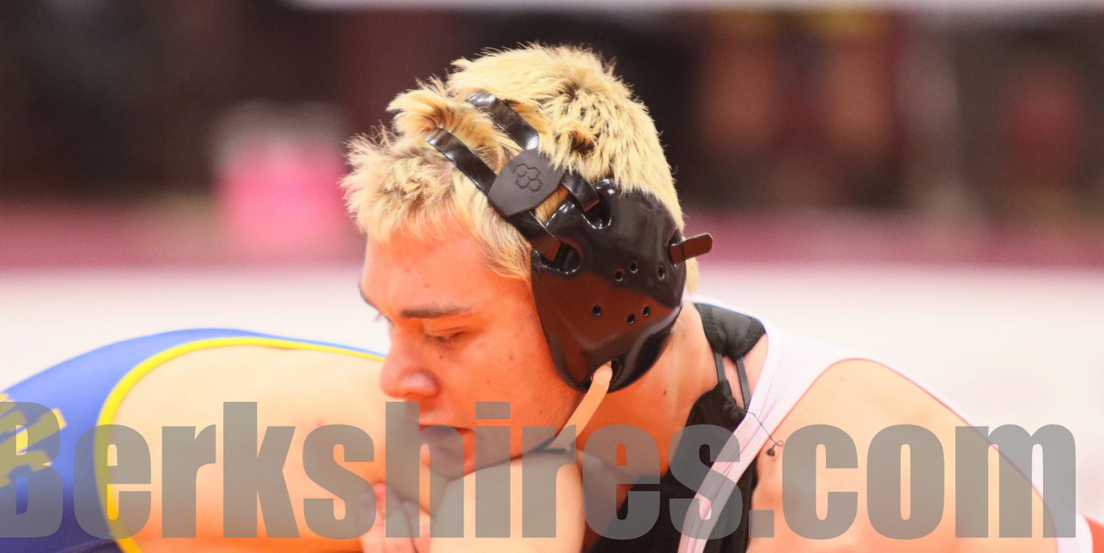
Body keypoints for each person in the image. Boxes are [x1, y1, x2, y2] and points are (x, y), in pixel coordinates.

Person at [342, 44, 1101, 551]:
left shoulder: (837, 490)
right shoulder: (498, 423)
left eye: (444, 334)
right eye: (389, 323)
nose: (395, 378)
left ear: (604, 310)